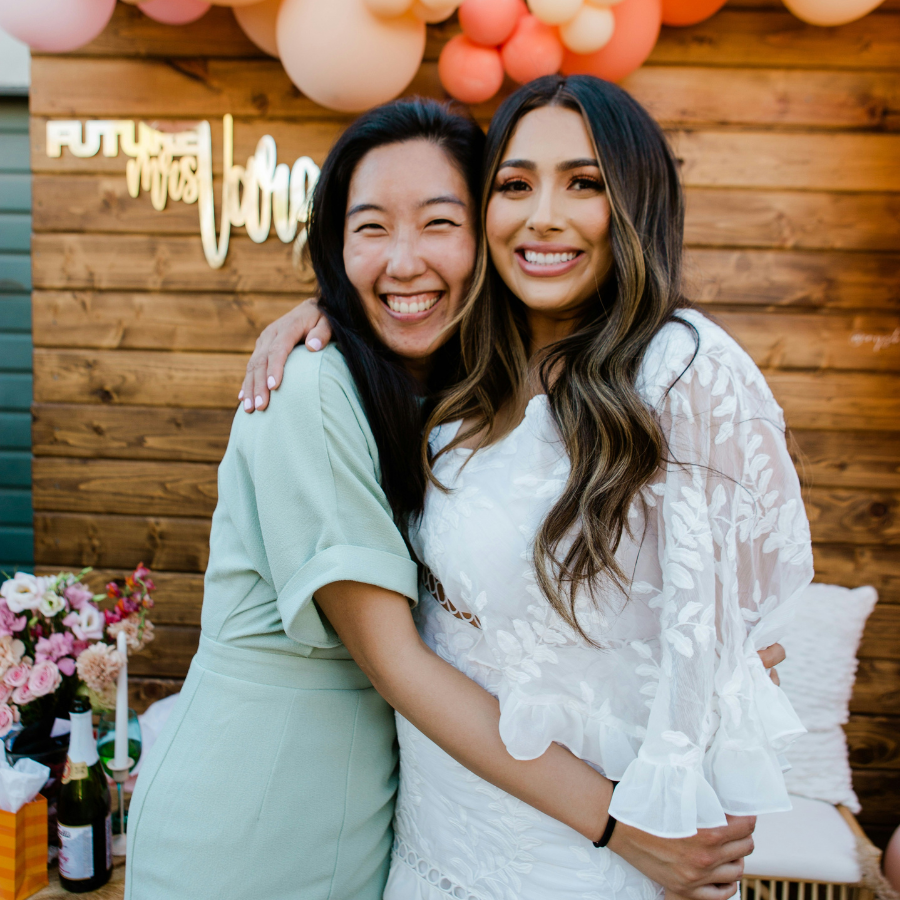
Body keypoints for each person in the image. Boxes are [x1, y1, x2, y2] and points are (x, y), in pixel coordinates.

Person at [127, 98, 764, 900]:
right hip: (265, 812)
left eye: (438, 222)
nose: (403, 260)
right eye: (369, 229)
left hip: (404, 821)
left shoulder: (473, 389)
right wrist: (615, 823)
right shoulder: (313, 388)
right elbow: (397, 657)